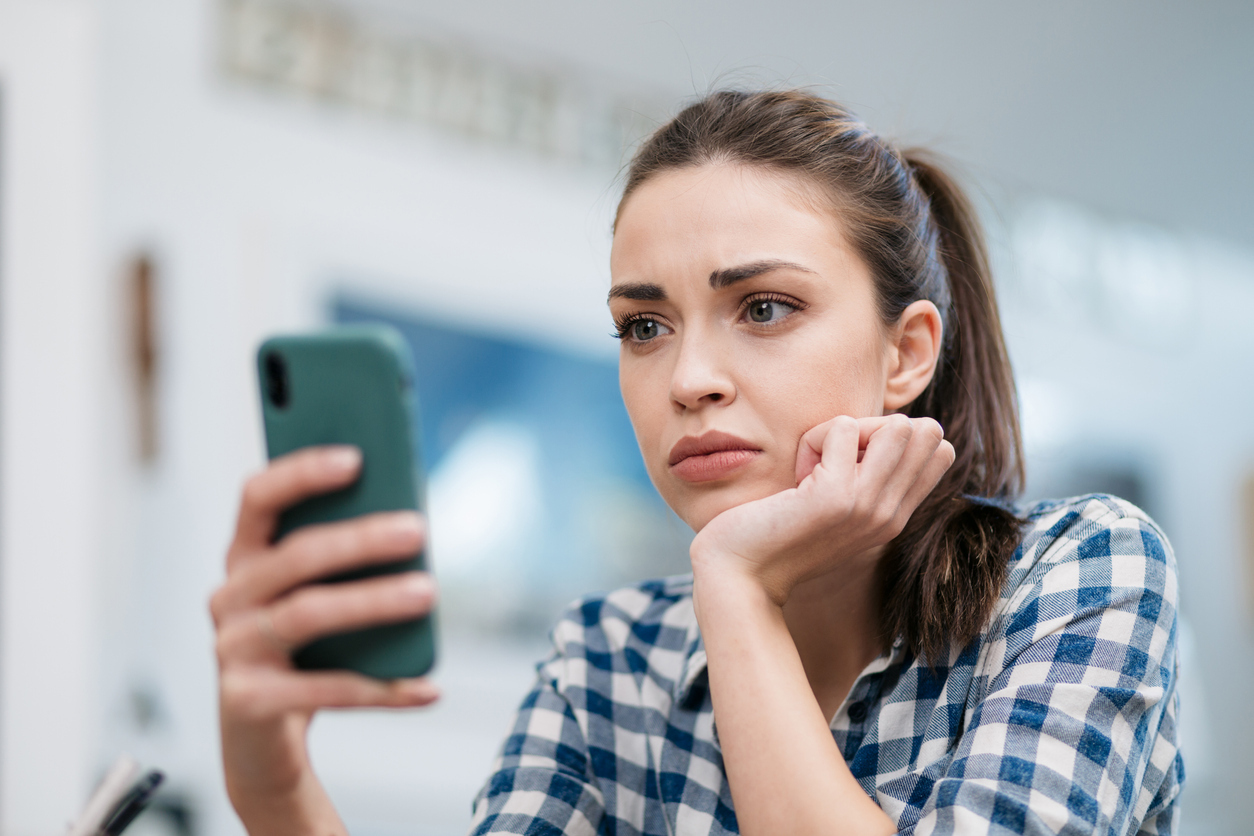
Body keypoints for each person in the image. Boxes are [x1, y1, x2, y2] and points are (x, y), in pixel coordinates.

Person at [210, 90, 1182, 835]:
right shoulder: (608, 655)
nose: (688, 377)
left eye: (763, 307)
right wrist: (271, 779)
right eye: (643, 325)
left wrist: (737, 585)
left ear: (907, 353)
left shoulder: (1082, 571)